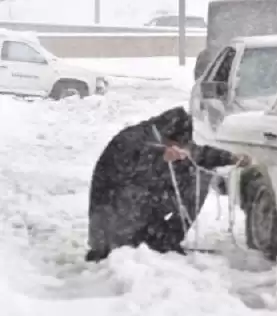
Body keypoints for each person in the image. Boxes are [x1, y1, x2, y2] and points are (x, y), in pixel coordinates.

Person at [86, 106, 250, 262]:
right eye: (179, 145)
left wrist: (231, 158)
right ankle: (145, 239)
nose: (182, 149)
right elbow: (138, 161)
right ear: (168, 137)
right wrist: (160, 156)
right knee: (188, 176)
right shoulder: (131, 139)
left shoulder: (165, 137)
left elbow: (198, 154)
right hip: (112, 223)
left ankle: (165, 239)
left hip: (137, 211)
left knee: (198, 173)